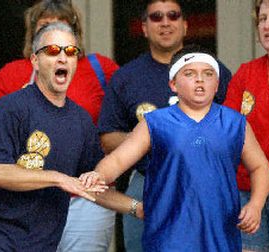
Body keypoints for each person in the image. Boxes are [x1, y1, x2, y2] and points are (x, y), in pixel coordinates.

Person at [81, 45, 269, 252]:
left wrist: (255, 205)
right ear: (173, 84)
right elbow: (118, 160)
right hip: (168, 238)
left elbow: (260, 166)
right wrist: (99, 175)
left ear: (217, 84)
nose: (200, 79)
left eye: (208, 74)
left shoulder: (236, 123)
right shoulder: (154, 122)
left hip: (221, 237)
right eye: (189, 73)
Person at [0, 22, 129, 252]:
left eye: (70, 52)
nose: (63, 57)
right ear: (34, 61)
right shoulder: (11, 108)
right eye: (52, 50)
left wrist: (137, 207)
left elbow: (92, 188)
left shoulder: (81, 121)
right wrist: (59, 178)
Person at [97, 1, 232, 250]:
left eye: (173, 15)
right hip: (148, 181)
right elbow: (107, 138)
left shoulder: (212, 71)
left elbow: (235, 129)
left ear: (185, 25)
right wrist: (152, 140)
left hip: (207, 181)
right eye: (156, 17)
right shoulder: (127, 77)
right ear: (145, 27)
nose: (166, 22)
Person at [223, 0, 269, 251]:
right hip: (246, 192)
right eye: (262, 19)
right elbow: (226, 131)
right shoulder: (246, 73)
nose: (267, 25)